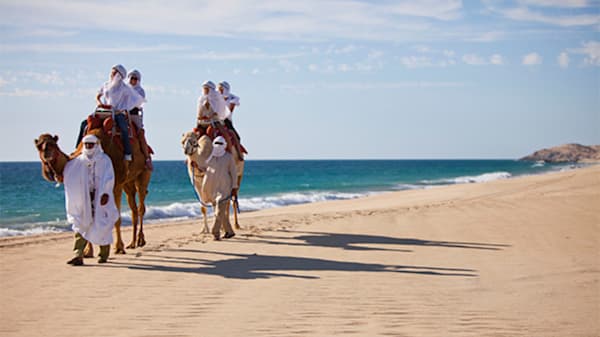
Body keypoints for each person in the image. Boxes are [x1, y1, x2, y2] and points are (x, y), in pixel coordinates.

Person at [64, 134, 119, 265]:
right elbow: (69, 174)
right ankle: (78, 254)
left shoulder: (105, 160)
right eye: (86, 145)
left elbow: (109, 177)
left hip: (100, 197)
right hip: (84, 198)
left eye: (91, 145)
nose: (89, 147)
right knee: (81, 223)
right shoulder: (78, 161)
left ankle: (103, 255)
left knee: (102, 224)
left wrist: (105, 193)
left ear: (96, 145)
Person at [76, 64, 145, 164]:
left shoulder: (124, 88)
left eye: (114, 72)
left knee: (123, 127)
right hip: (104, 111)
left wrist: (121, 109)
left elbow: (134, 100)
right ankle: (77, 149)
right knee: (84, 124)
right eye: (112, 72)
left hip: (117, 112)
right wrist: (99, 103)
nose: (112, 74)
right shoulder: (106, 85)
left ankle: (127, 152)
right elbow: (98, 95)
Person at [200, 136, 239, 241]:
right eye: (216, 143)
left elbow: (234, 173)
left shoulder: (228, 157)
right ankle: (229, 232)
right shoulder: (210, 157)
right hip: (211, 188)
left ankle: (215, 232)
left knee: (219, 211)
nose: (218, 146)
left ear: (225, 145)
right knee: (221, 213)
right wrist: (196, 165)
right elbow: (205, 169)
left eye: (220, 144)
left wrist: (234, 187)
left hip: (225, 188)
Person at [127, 69, 153, 170]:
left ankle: (146, 158)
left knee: (140, 134)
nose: (133, 80)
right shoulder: (124, 89)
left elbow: (137, 102)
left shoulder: (140, 91)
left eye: (135, 79)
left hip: (134, 115)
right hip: (122, 113)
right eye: (132, 78)